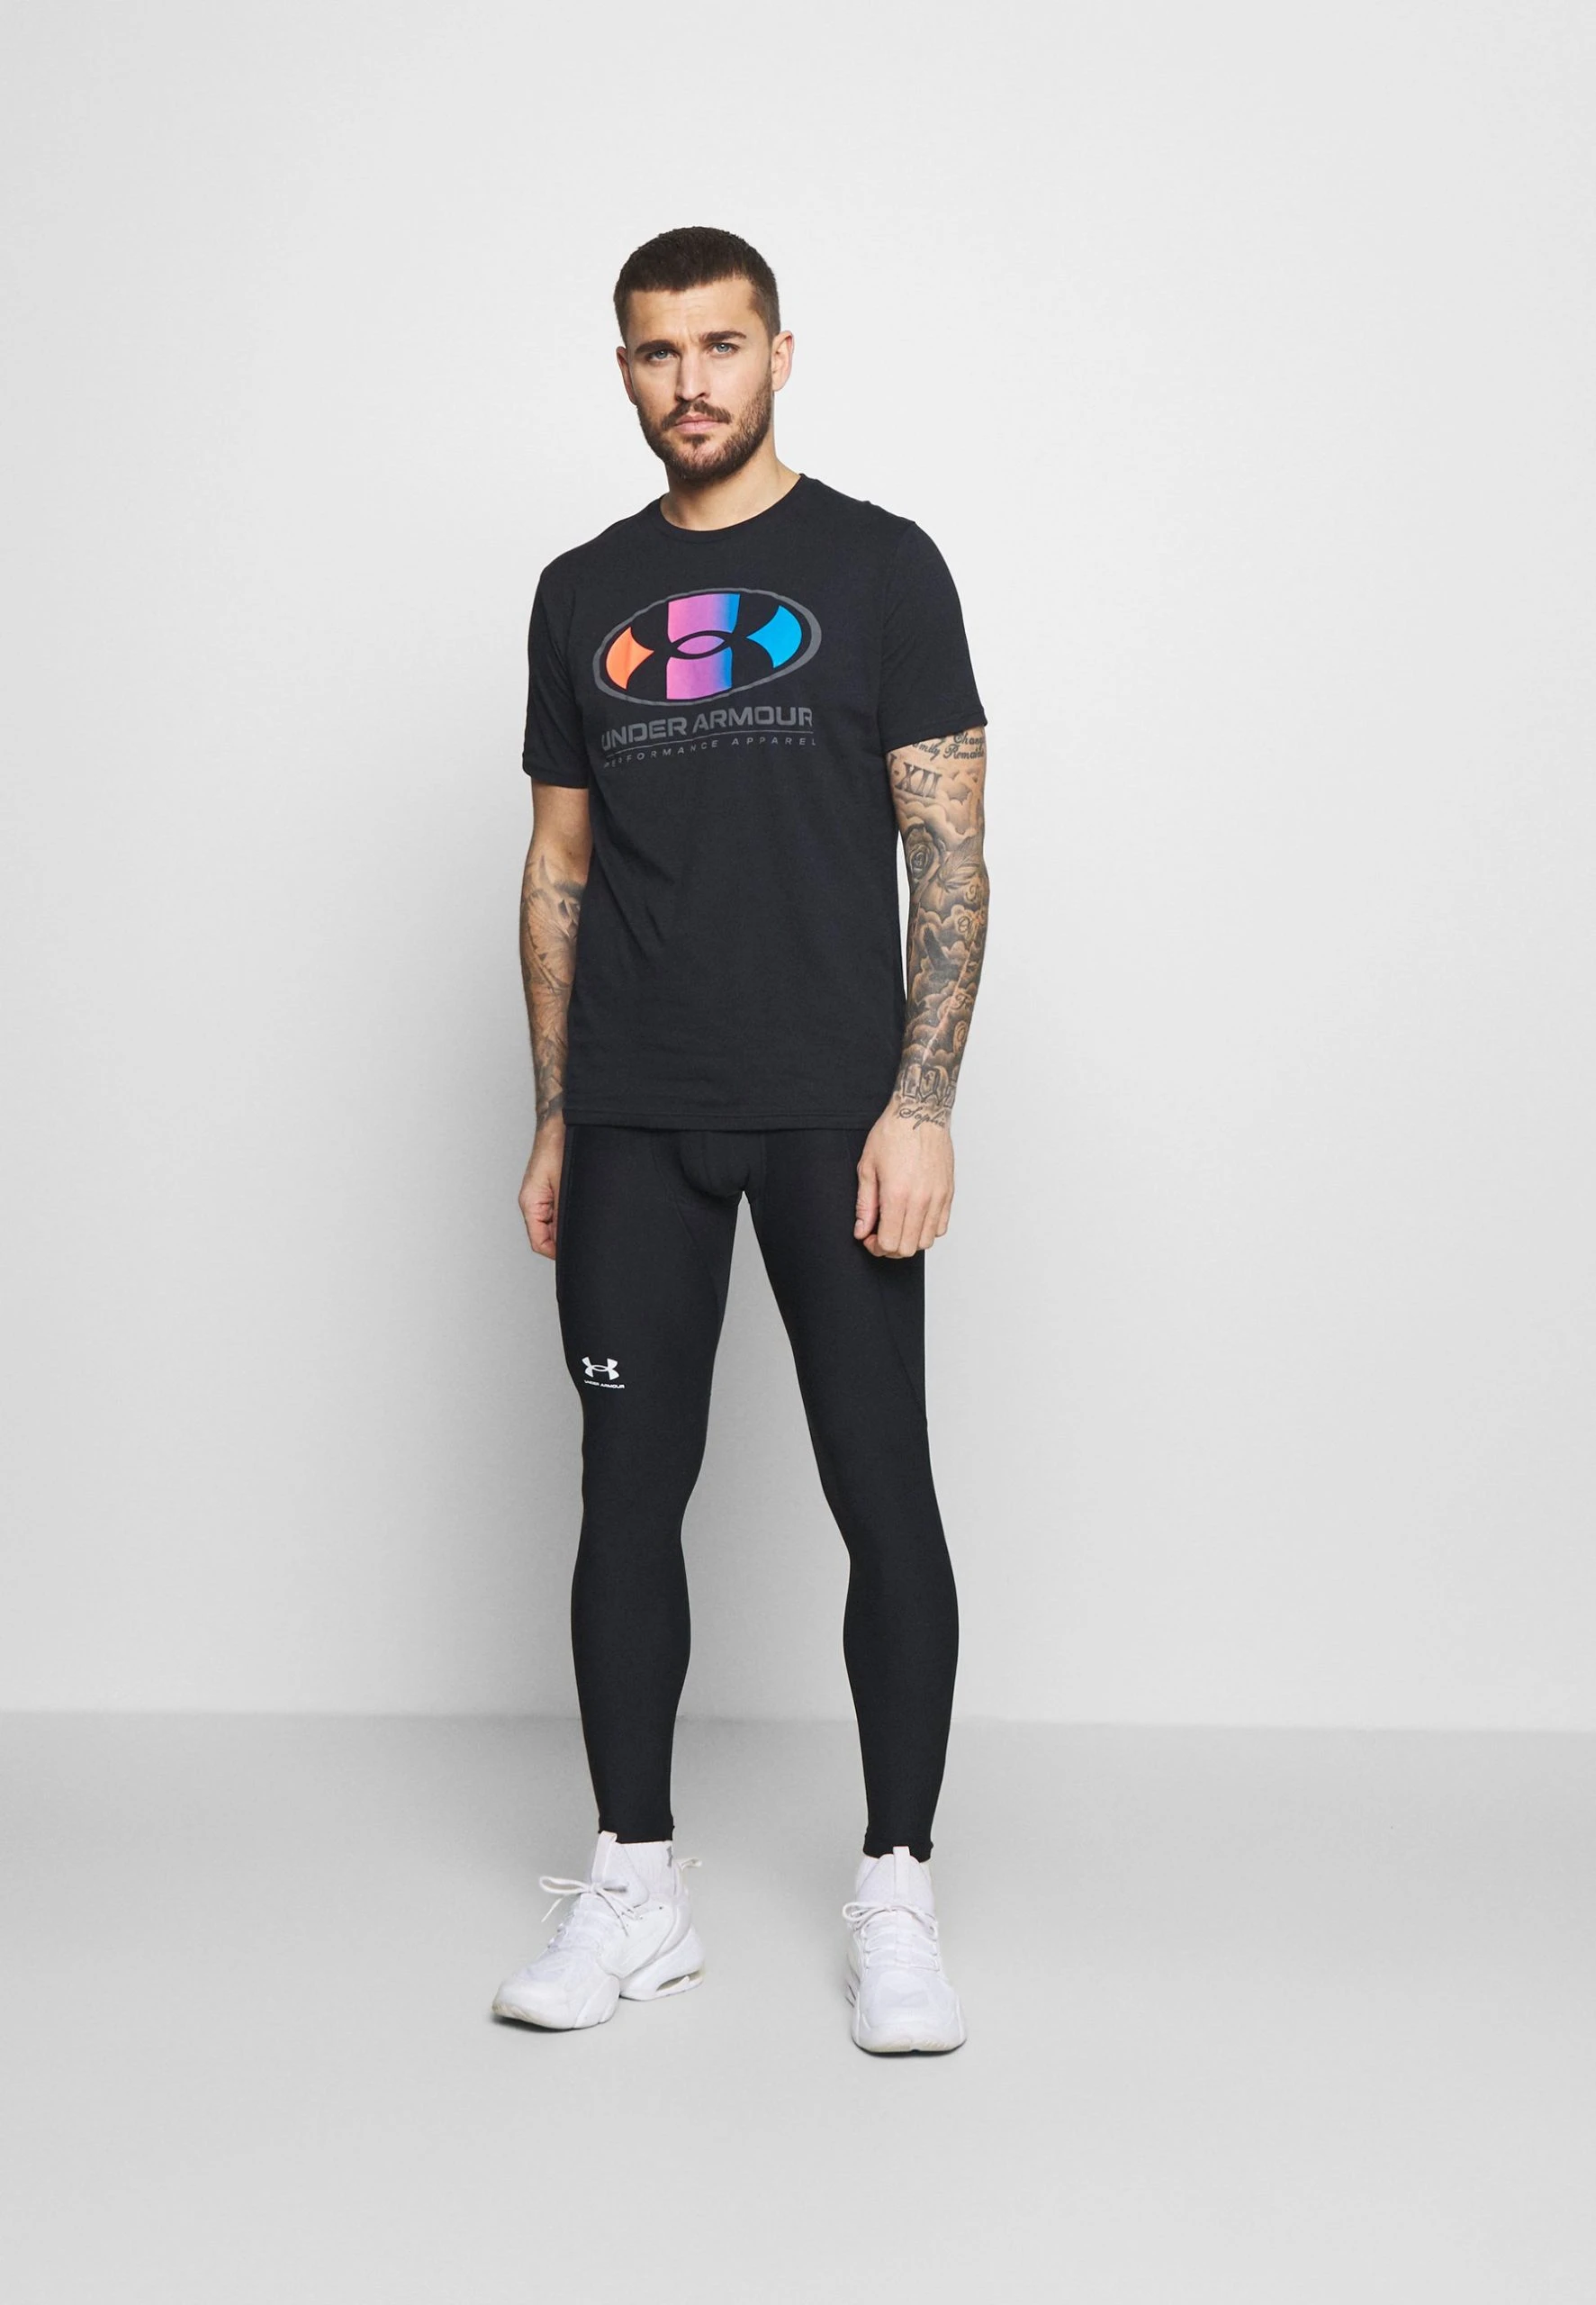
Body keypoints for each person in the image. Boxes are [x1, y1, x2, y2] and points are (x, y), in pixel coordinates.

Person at [491, 227, 989, 2053]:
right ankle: (636, 1884)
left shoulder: (879, 566)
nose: (689, 382)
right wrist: (556, 1112)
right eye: (656, 352)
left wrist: (920, 1103)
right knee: (624, 1494)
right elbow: (557, 868)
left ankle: (897, 1889)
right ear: (622, 368)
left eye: (720, 345)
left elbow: (950, 853)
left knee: (880, 1489)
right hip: (634, 1110)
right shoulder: (579, 590)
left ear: (781, 352)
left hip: (830, 1109)